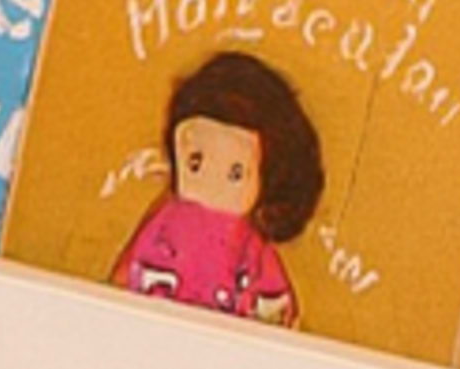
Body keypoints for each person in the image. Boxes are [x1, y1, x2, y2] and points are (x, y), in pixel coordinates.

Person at [118, 46, 321, 324]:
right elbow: (126, 277)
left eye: (235, 174)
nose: (211, 186)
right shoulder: (166, 223)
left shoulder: (252, 243)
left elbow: (273, 304)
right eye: (195, 163)